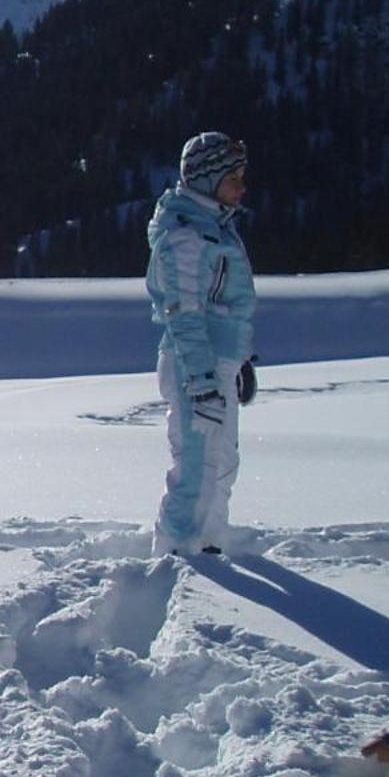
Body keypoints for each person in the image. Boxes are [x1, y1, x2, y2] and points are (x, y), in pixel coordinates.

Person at [147, 131, 256, 557]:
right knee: (196, 467)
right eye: (234, 178)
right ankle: (175, 554)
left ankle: (209, 545)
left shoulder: (217, 227)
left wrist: (239, 362)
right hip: (195, 365)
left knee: (222, 464)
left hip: (218, 364)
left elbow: (224, 305)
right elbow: (184, 314)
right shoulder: (186, 235)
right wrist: (202, 380)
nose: (242, 187)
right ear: (209, 179)